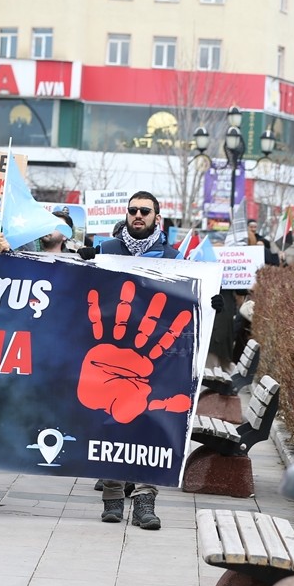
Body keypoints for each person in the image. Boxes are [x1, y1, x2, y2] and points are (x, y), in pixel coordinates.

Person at [82, 191, 178, 531]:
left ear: (156, 216)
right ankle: (112, 498)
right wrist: (84, 266)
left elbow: (181, 304)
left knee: (147, 426)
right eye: (133, 210)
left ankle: (145, 503)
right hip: (110, 346)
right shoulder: (107, 250)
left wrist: (209, 302)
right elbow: (89, 293)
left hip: (152, 352)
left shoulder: (171, 255)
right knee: (111, 423)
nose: (138, 215)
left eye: (145, 211)